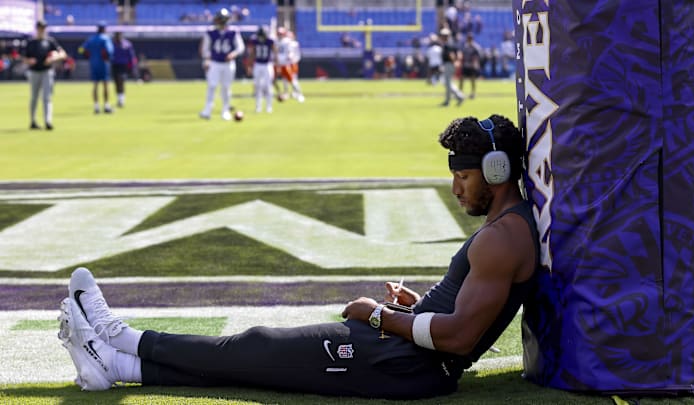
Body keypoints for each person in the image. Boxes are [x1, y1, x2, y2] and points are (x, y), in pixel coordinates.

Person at [56, 114, 540, 399]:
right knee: (257, 361)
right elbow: (464, 315)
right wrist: (414, 307)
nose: (456, 188)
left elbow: (458, 338)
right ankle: (118, 368)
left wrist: (377, 316)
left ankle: (122, 336)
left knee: (257, 348)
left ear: (497, 171)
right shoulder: (507, 228)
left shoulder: (502, 237)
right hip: (405, 352)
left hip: (404, 363)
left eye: (465, 176)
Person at [198, 8, 245, 120]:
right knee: (212, 86)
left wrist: (233, 54)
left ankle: (225, 110)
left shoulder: (233, 32)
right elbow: (205, 49)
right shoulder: (210, 32)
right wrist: (207, 59)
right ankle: (207, 110)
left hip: (228, 64)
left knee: (226, 87)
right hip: (215, 62)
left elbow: (240, 47)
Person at [23, 19, 66, 130]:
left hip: (47, 71)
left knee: (47, 97)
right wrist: (29, 61)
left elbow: (62, 54)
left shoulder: (50, 41)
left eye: (44, 28)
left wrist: (53, 58)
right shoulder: (31, 42)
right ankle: (33, 121)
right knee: (34, 97)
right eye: (40, 28)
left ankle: (48, 121)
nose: (42, 30)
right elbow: (23, 57)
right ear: (37, 29)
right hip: (34, 72)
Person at [79, 21, 114, 114]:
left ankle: (96, 106)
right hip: (103, 64)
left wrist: (88, 55)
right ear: (104, 29)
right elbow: (109, 51)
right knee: (105, 84)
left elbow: (81, 49)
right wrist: (107, 57)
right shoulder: (105, 39)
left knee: (95, 85)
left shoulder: (91, 39)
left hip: (93, 63)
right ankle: (106, 106)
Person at [247, 26, 277, 113]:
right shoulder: (255, 41)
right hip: (258, 64)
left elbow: (275, 52)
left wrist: (277, 64)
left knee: (268, 85)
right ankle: (258, 107)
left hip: (267, 64)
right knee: (257, 86)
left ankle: (269, 107)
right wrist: (250, 66)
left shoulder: (270, 41)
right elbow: (252, 54)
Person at [439, 28, 464, 107]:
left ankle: (449, 100)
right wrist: (458, 61)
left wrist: (454, 62)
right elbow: (459, 53)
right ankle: (458, 96)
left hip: (449, 64)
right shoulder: (452, 43)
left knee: (447, 83)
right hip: (449, 64)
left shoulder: (447, 44)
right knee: (447, 83)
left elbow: (451, 55)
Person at [111, 32, 136, 108]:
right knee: (116, 82)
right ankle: (119, 98)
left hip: (123, 65)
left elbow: (131, 56)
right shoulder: (112, 44)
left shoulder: (127, 44)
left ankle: (122, 99)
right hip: (115, 65)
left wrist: (131, 67)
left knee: (121, 80)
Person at [458, 32, 483, 99]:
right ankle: (460, 93)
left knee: (472, 80)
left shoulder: (475, 47)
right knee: (462, 79)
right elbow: (462, 54)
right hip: (466, 65)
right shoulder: (465, 46)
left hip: (472, 66)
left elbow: (478, 55)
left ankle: (473, 93)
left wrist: (476, 63)